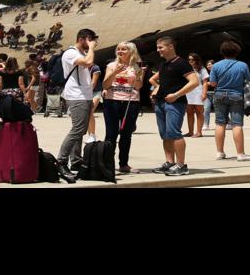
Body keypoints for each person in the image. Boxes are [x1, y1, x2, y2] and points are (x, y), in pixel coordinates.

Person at [54, 29, 98, 181]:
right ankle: (61, 162)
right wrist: (91, 48)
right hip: (76, 95)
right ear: (81, 39)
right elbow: (88, 63)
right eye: (90, 39)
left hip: (84, 94)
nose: (93, 42)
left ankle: (76, 161)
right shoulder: (70, 53)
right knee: (77, 129)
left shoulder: (81, 53)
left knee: (80, 130)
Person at [153, 35, 200, 174]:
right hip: (160, 102)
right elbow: (163, 83)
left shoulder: (182, 63)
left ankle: (181, 165)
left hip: (175, 103)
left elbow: (194, 82)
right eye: (157, 47)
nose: (158, 50)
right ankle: (170, 162)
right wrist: (156, 92)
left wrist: (176, 95)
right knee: (165, 134)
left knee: (174, 133)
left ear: (171, 46)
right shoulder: (164, 64)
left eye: (160, 47)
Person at [100, 42, 144, 174]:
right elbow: (105, 85)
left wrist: (138, 75)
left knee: (126, 134)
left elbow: (138, 86)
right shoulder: (111, 65)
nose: (120, 51)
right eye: (118, 49)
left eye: (124, 49)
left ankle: (123, 164)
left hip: (131, 102)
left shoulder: (137, 67)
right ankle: (108, 164)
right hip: (112, 101)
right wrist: (115, 72)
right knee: (111, 134)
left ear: (131, 51)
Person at [210, 41, 250, 161]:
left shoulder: (216, 66)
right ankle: (240, 154)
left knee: (220, 123)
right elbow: (249, 80)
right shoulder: (242, 65)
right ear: (237, 52)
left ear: (222, 52)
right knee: (237, 124)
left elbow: (213, 83)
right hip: (236, 95)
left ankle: (220, 152)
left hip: (219, 95)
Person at [185, 53, 208, 137]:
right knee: (189, 112)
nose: (190, 61)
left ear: (196, 60)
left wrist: (204, 93)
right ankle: (190, 132)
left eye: (192, 59)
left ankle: (199, 132)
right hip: (187, 92)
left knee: (199, 112)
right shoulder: (186, 68)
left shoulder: (201, 69)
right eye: (189, 59)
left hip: (198, 92)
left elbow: (205, 82)